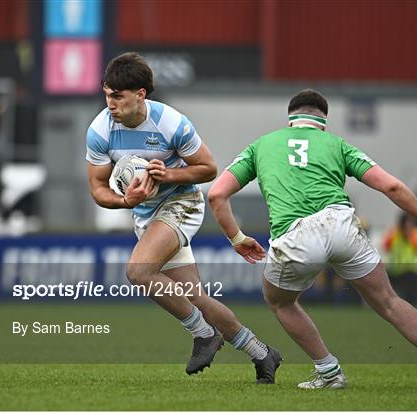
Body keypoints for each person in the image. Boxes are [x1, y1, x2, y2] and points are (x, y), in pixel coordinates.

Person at [207, 88, 417, 391]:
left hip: (296, 237)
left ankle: (329, 371)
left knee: (280, 301)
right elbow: (390, 186)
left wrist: (237, 237)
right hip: (342, 225)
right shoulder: (337, 144)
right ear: (322, 123)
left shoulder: (262, 146)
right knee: (389, 301)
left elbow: (217, 194)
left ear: (290, 121)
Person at [86, 52, 281, 383]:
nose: (111, 104)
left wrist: (169, 176)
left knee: (138, 270)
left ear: (140, 94)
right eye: (107, 95)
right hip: (147, 215)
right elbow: (97, 189)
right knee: (194, 298)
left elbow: (208, 169)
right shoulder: (100, 129)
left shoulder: (171, 123)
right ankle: (262, 354)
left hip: (182, 203)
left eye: (117, 96)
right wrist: (124, 200)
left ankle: (203, 334)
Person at [382, 213, 417, 306]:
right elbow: (385, 246)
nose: (407, 227)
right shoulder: (394, 235)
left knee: (411, 291)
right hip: (395, 271)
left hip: (413, 271)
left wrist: (411, 237)